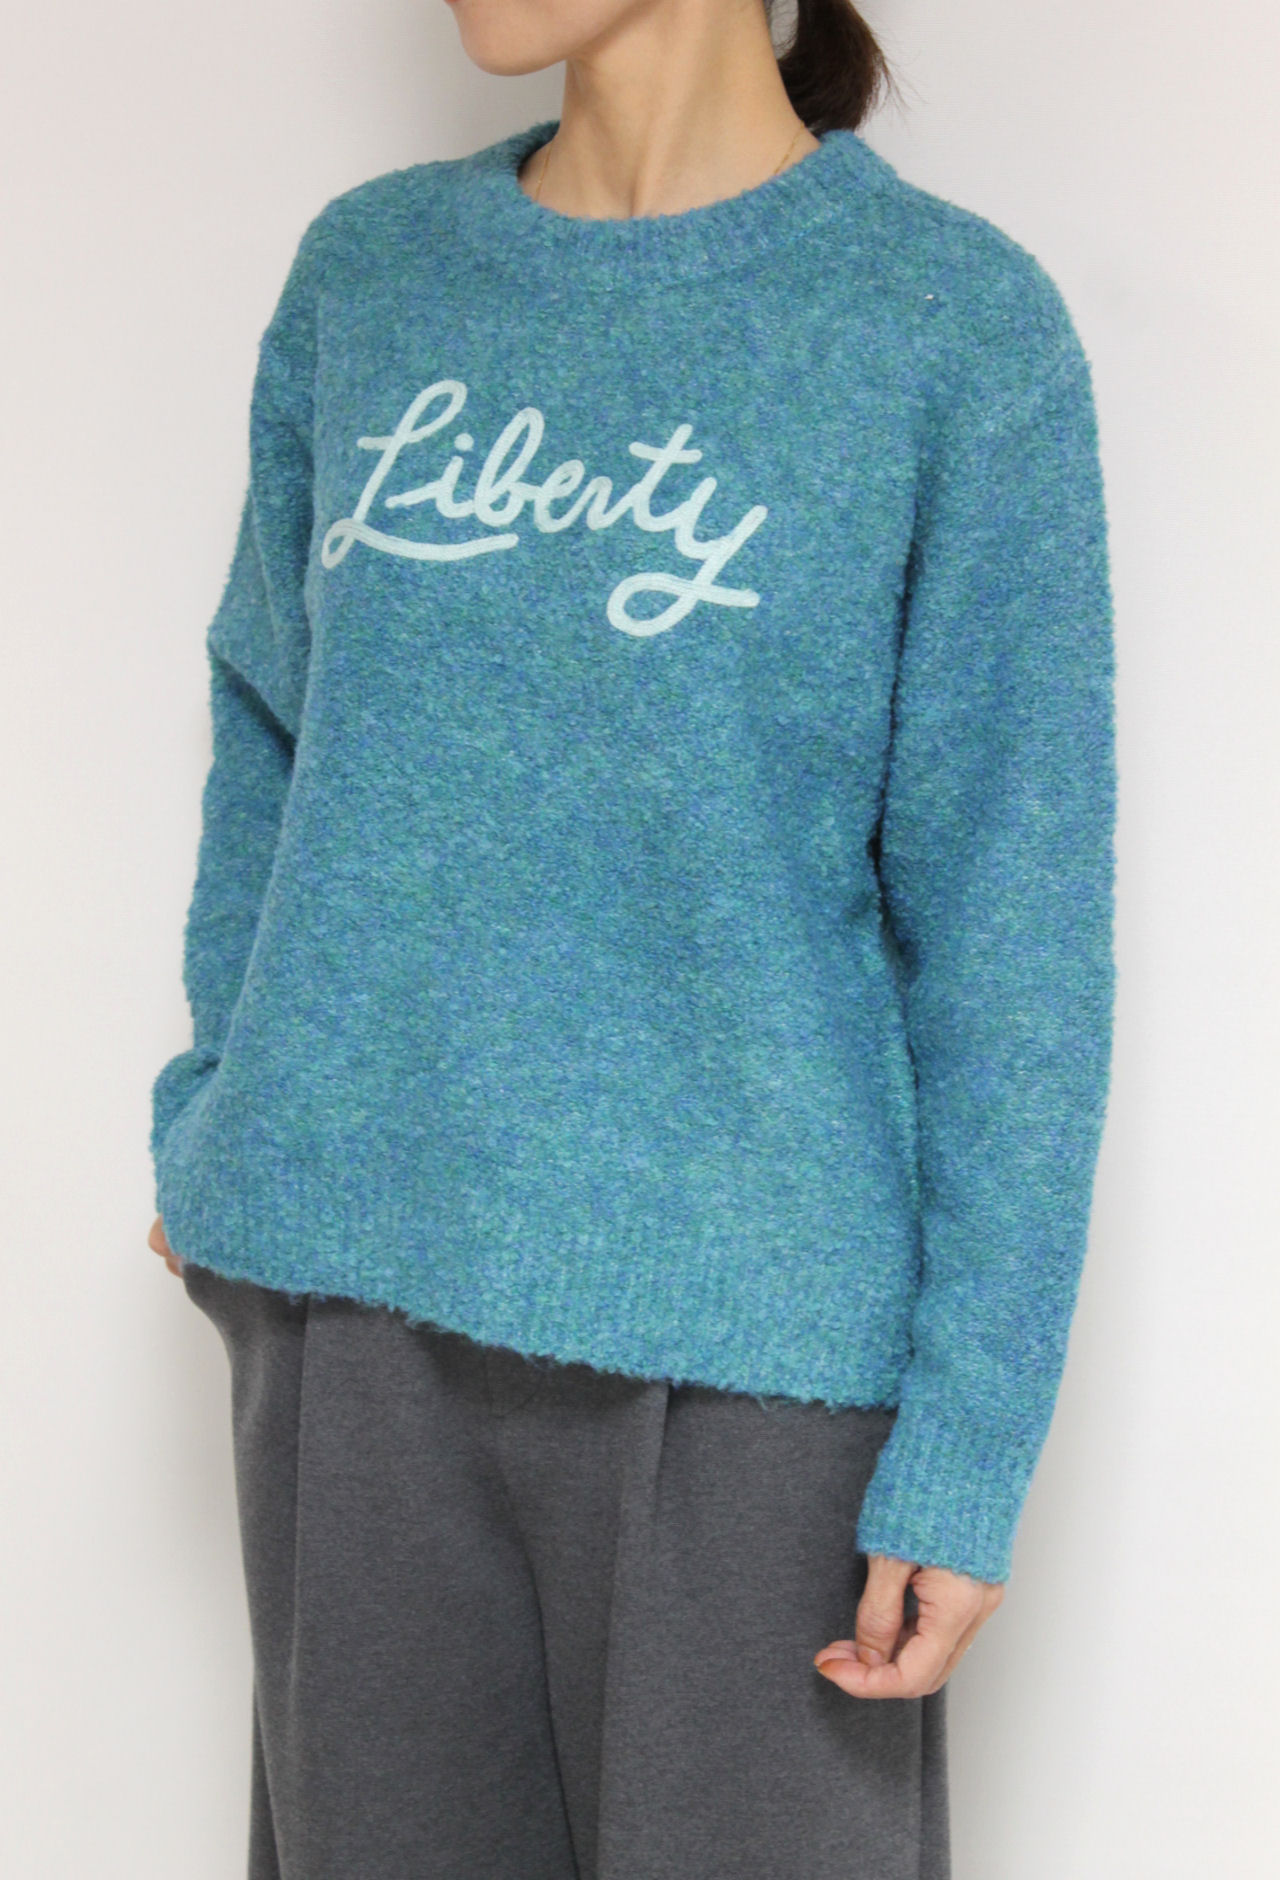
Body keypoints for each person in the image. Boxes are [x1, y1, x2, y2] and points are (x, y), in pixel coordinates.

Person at [147, 0, 1117, 1874]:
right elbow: (270, 724)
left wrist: (970, 1437)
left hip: (753, 1371)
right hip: (352, 1309)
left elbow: (1017, 933)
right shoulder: (375, 276)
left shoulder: (948, 325)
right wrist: (217, 1107)